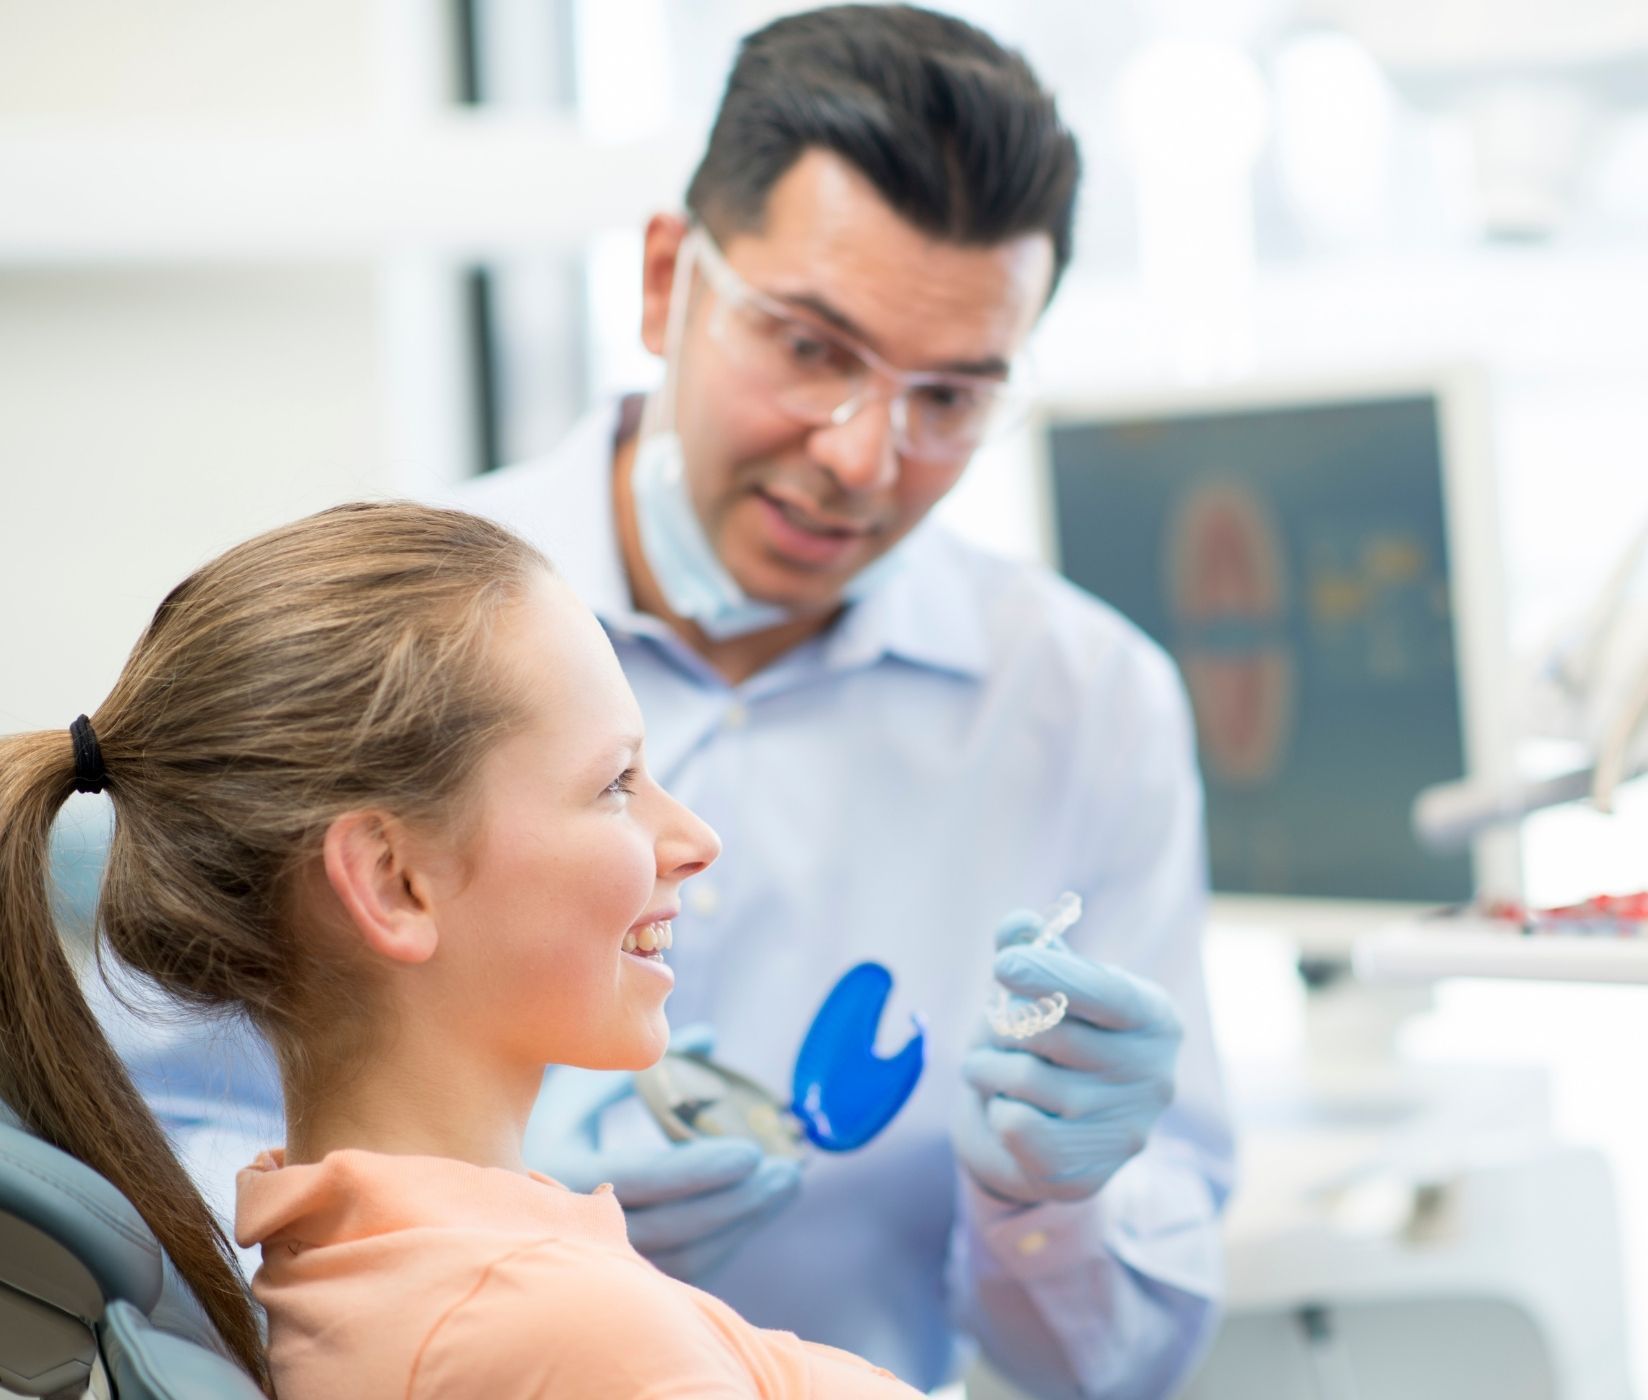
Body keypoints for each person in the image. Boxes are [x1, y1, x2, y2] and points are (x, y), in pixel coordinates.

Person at [101, 6, 1236, 1397]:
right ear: (663, 282)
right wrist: (481, 1198)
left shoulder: (1086, 704)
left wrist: (1049, 1209)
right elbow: (141, 1192)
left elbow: (1113, 1369)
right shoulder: (399, 636)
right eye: (813, 350)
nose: (864, 457)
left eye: (949, 396)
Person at [1, 502, 922, 1397]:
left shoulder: (392, 1274)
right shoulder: (564, 1336)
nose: (694, 838)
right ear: (394, 881)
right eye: (616, 782)